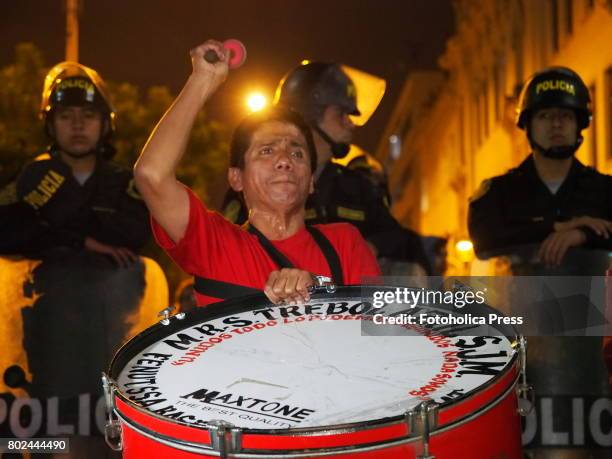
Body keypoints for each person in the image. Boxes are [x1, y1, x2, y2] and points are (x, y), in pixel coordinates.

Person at [134, 40, 380, 307]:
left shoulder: (345, 241)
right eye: (266, 150)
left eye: (297, 153)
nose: (284, 160)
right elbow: (151, 175)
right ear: (235, 178)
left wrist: (320, 288)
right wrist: (202, 80)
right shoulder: (216, 245)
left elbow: (389, 326)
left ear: (311, 181)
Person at [222, 61, 431, 274]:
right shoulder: (253, 185)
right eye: (342, 113)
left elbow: (399, 241)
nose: (351, 123)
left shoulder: (359, 187)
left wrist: (369, 248)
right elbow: (228, 251)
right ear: (309, 113)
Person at [0, 62, 150, 265]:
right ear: (51, 126)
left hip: (111, 293)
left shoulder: (125, 182)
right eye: (65, 116)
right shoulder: (31, 176)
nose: (77, 125)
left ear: (105, 124)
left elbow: (134, 237)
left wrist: (53, 225)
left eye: (88, 115)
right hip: (41, 292)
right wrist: (78, 240)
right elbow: (8, 234)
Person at [468, 66, 612, 266]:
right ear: (528, 126)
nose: (556, 124)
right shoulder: (498, 193)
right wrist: (558, 227)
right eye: (544, 116)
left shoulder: (605, 190)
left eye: (566, 116)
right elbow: (485, 241)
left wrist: (582, 235)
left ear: (579, 125)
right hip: (519, 296)